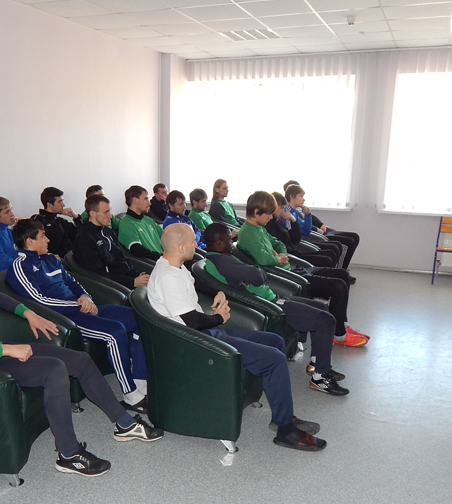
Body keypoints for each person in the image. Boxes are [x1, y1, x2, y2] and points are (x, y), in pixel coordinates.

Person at [0, 230, 162, 477]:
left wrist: (28, 313)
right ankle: (69, 454)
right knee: (54, 370)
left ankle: (125, 424)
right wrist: (6, 349)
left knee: (80, 360)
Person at [147, 223, 326, 451]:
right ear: (181, 247)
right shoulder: (168, 278)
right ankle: (285, 430)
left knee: (275, 341)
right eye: (192, 242)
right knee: (274, 359)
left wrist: (217, 290)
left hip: (203, 333)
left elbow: (194, 283)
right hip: (195, 343)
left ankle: (282, 414)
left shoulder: (173, 265)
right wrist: (219, 318)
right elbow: (193, 322)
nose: (196, 245)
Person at [7, 218, 149, 412]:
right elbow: (39, 301)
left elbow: (72, 282)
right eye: (42, 236)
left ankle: (140, 380)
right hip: (66, 318)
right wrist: (78, 304)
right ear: (29, 241)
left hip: (82, 307)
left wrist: (85, 297)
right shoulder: (20, 266)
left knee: (140, 317)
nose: (48, 240)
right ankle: (131, 395)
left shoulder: (49, 259)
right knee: (115, 332)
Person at [203, 223, 349, 397]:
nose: (231, 242)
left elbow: (253, 273)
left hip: (271, 297)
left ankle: (316, 363)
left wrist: (252, 272)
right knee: (326, 320)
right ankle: (321, 378)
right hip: (268, 304)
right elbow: (257, 276)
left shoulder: (221, 258)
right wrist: (254, 271)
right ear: (218, 243)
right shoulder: (222, 261)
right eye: (229, 239)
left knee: (321, 307)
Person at [237, 191, 369, 347]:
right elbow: (263, 259)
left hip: (292, 269)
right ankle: (339, 334)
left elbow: (279, 243)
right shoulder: (248, 233)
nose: (271, 217)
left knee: (342, 274)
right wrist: (277, 258)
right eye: (269, 214)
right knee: (338, 286)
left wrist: (281, 254)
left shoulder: (259, 228)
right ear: (256, 212)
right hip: (286, 276)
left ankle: (341, 324)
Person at [73, 194, 150, 290]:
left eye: (110, 211)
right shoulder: (84, 238)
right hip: (113, 287)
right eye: (106, 212)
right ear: (93, 214)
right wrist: (132, 282)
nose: (110, 216)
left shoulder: (107, 231)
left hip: (126, 278)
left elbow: (121, 257)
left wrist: (136, 274)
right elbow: (98, 274)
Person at [283, 181, 359, 269]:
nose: (303, 199)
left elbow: (305, 230)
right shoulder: (286, 212)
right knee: (332, 251)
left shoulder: (294, 212)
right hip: (296, 244)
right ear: (291, 197)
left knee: (337, 247)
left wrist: (308, 215)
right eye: (301, 196)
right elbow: (291, 236)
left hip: (299, 239)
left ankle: (337, 272)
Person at [267, 192, 339, 268]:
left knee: (331, 253)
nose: (283, 211)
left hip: (296, 253)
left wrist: (294, 221)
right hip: (291, 257)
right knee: (327, 259)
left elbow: (295, 239)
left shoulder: (279, 221)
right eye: (281, 208)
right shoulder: (270, 225)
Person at [31, 186, 81, 258]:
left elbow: (82, 235)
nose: (63, 205)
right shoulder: (38, 220)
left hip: (71, 257)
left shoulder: (61, 221)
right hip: (53, 259)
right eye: (59, 202)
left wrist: (76, 217)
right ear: (50, 205)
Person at [118, 185, 163, 261]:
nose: (149, 203)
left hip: (166, 260)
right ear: (135, 200)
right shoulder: (127, 224)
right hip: (156, 263)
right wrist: (162, 257)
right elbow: (137, 249)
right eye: (146, 199)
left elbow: (165, 236)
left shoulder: (148, 220)